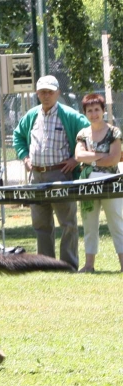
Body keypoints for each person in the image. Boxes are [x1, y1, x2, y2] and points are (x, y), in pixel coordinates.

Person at [13, 75, 90, 270]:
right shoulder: (31, 116)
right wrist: (25, 157)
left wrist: (76, 159)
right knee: (41, 225)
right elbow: (18, 136)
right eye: (42, 92)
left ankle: (68, 265)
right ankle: (45, 264)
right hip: (36, 176)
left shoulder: (70, 116)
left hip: (61, 175)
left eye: (49, 92)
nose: (46, 96)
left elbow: (89, 134)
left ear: (58, 93)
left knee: (68, 223)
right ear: (37, 94)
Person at [74, 93, 123, 273]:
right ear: (85, 113)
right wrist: (101, 156)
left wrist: (92, 158)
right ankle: (89, 265)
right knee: (89, 224)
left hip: (111, 182)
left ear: (103, 111)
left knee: (116, 222)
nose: (93, 114)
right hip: (87, 184)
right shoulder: (82, 134)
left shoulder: (114, 132)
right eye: (89, 110)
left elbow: (114, 159)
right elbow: (79, 155)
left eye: (96, 110)